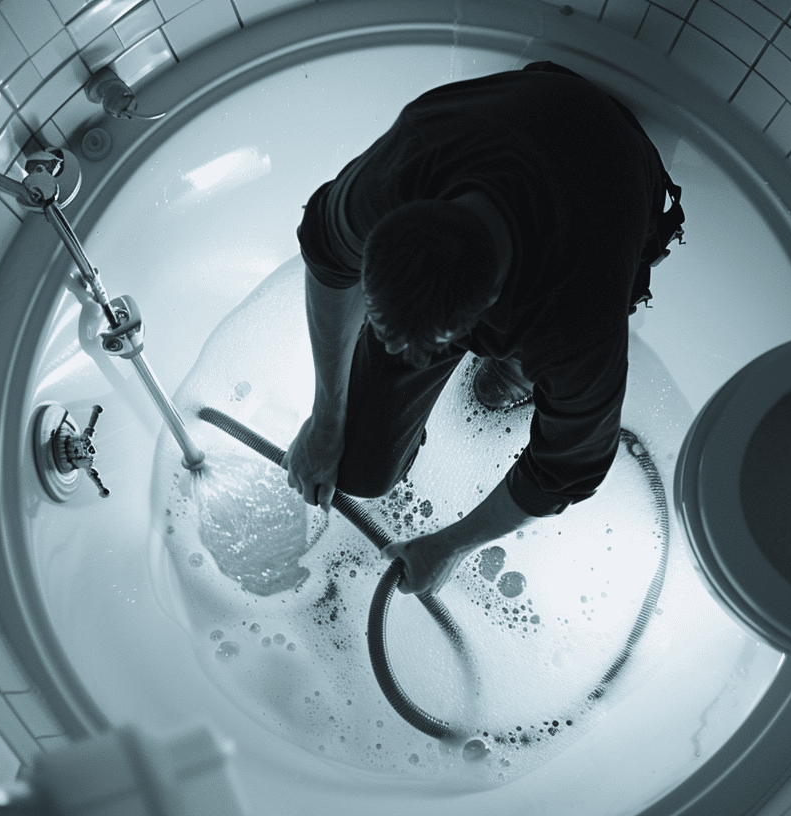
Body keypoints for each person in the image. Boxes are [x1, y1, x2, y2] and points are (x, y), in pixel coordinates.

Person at [281, 62, 682, 596]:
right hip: (524, 106)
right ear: (384, 232)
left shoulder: (572, 321)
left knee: (494, 392)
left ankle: (513, 370)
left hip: (613, 178)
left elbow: (564, 470)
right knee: (359, 470)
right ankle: (451, 364)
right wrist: (325, 419)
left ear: (493, 305)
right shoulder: (400, 173)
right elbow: (328, 257)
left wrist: (448, 547)